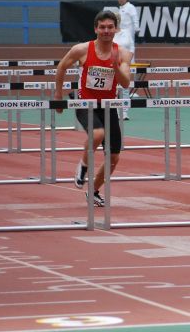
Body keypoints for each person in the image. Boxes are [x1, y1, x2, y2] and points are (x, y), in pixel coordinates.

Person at [54, 11, 133, 207]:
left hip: (108, 106)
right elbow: (61, 67)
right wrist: (58, 96)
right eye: (102, 27)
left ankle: (94, 191)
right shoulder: (81, 49)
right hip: (85, 103)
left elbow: (125, 83)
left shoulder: (123, 53)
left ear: (116, 29)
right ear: (96, 29)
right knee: (98, 134)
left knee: (114, 157)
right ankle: (83, 165)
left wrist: (115, 67)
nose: (106, 31)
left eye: (110, 27)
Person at [113, 0, 140, 120]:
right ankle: (113, 111)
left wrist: (137, 28)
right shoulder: (109, 34)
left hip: (124, 63)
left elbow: (131, 47)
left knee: (124, 87)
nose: (120, 0)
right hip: (112, 64)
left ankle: (124, 112)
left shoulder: (130, 7)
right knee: (112, 87)